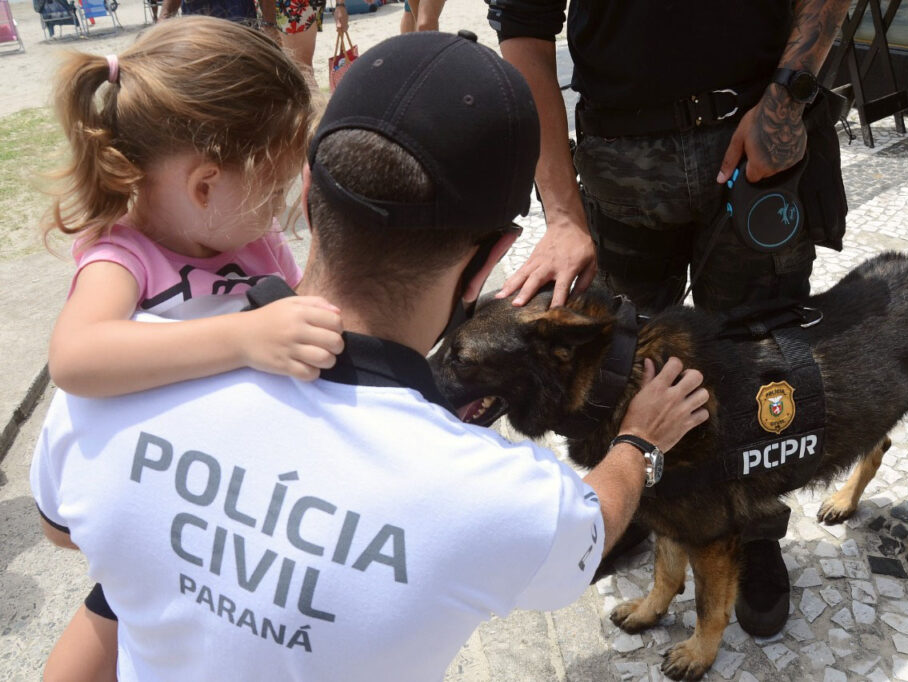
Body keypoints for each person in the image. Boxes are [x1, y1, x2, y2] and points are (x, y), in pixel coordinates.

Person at [31, 31, 709, 681]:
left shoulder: (103, 396)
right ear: (490, 262)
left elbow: (66, 532)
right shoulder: (498, 497)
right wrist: (641, 443)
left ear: (306, 194)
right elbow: (592, 526)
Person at [486, 0, 850, 638]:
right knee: (625, 366)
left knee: (760, 359)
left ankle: (755, 525)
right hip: (621, 159)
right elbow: (523, 24)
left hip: (759, 133)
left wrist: (789, 97)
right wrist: (563, 213)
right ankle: (644, 512)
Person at [39, 16, 344, 681]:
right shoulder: (122, 258)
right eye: (274, 191)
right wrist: (240, 339)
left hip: (231, 497)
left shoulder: (247, 239)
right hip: (156, 505)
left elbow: (295, 319)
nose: (280, 210)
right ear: (205, 186)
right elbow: (75, 358)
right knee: (106, 626)